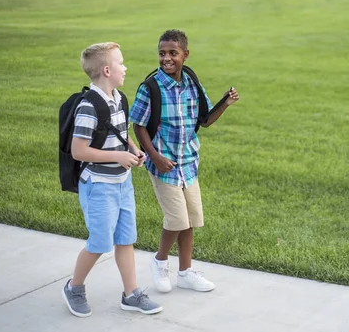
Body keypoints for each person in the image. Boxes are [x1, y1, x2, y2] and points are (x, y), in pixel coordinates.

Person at [130, 29, 239, 293]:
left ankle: (186, 272)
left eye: (172, 53)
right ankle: (159, 261)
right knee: (177, 220)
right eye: (162, 53)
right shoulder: (151, 88)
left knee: (190, 219)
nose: (166, 58)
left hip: (188, 162)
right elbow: (138, 124)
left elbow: (205, 119)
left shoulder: (191, 82)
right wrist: (154, 156)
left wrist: (225, 102)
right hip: (164, 166)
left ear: (185, 55)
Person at [62, 42, 162, 317]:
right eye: (121, 63)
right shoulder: (88, 107)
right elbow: (78, 150)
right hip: (98, 185)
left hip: (122, 183)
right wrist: (117, 158)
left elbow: (119, 132)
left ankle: (131, 294)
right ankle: (74, 287)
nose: (125, 67)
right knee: (99, 242)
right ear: (107, 70)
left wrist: (132, 149)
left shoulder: (119, 98)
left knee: (125, 239)